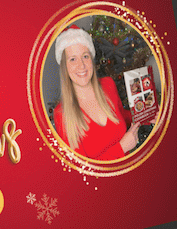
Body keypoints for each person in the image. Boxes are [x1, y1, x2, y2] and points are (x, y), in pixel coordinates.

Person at [52, 26, 140, 160]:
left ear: (91, 59)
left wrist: (144, 115)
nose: (81, 65)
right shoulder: (61, 114)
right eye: (73, 59)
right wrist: (121, 148)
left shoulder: (107, 84)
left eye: (85, 56)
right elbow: (83, 171)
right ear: (65, 67)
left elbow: (122, 116)